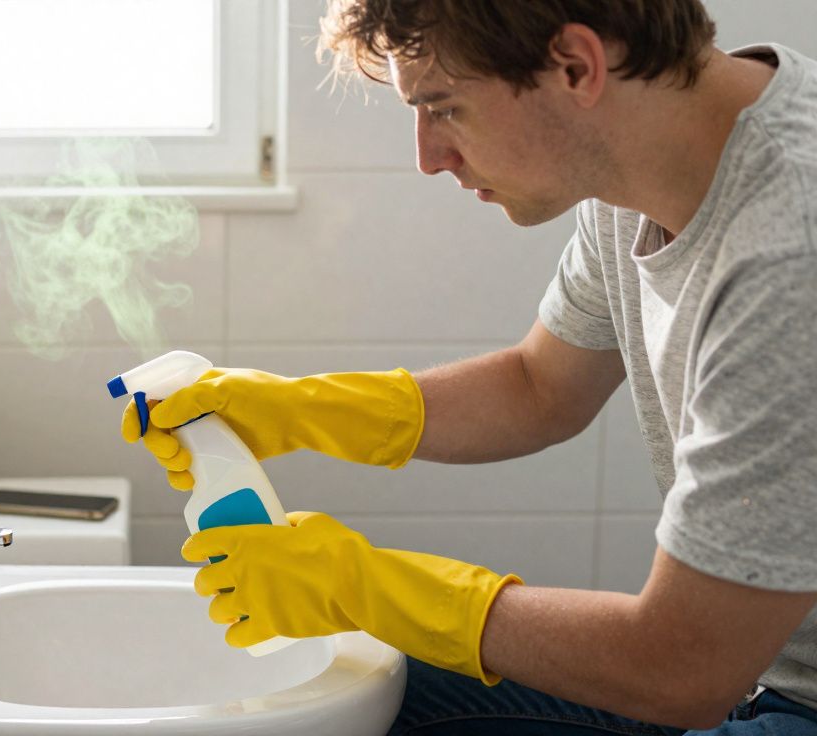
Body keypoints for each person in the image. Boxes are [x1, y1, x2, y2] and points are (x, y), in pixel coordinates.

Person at [120, 1, 817, 733]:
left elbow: (680, 672)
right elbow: (539, 387)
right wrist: (302, 411)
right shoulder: (638, 162)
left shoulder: (788, 252)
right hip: (743, 683)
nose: (427, 156)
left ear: (577, 67)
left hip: (782, 704)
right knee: (363, 684)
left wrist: (363, 585)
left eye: (442, 107)